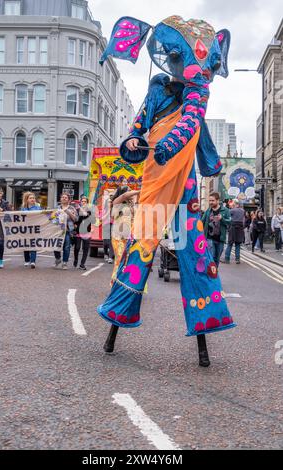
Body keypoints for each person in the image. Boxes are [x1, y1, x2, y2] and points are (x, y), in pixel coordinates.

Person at [97, 14, 235, 368]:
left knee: (194, 252)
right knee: (141, 246)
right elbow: (138, 127)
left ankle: (205, 322)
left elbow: (190, 128)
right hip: (156, 177)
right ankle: (118, 317)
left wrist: (171, 146)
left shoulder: (197, 94)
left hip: (185, 185)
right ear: (171, 59)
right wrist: (132, 143)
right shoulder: (158, 89)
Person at [110, 186, 140, 286]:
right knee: (120, 260)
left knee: (129, 261)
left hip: (130, 237)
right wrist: (140, 190)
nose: (132, 193)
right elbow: (124, 195)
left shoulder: (132, 206)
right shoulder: (116, 202)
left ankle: (126, 284)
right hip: (118, 237)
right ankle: (115, 284)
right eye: (130, 191)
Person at [202, 193, 231, 267]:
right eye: (210, 201)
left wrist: (222, 219)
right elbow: (202, 222)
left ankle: (214, 273)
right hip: (209, 238)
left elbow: (230, 222)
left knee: (217, 259)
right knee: (211, 257)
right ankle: (211, 275)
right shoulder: (208, 211)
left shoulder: (225, 210)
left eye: (212, 200)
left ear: (218, 201)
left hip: (220, 239)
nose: (211, 202)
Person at [54, 193, 78, 270]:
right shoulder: (57, 208)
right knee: (55, 246)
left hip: (68, 231)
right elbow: (52, 218)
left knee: (66, 247)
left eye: (66, 197)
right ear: (60, 199)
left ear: (69, 200)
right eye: (62, 197)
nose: (64, 198)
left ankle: (65, 262)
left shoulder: (72, 208)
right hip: (58, 231)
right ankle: (58, 258)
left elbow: (75, 219)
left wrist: (68, 211)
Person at [21, 192, 40, 269]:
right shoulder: (23, 208)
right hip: (25, 229)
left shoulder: (38, 207)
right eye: (31, 198)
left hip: (34, 228)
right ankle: (27, 259)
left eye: (33, 198)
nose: (32, 199)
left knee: (33, 244)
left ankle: (33, 261)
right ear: (27, 199)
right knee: (26, 244)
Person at [74, 196, 93, 270]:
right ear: (80, 202)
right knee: (77, 247)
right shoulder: (77, 210)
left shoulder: (89, 210)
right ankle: (76, 259)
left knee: (85, 249)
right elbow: (76, 220)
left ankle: (82, 264)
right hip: (79, 231)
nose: (83, 203)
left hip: (87, 232)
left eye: (85, 201)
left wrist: (79, 208)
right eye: (82, 201)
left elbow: (85, 214)